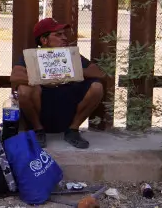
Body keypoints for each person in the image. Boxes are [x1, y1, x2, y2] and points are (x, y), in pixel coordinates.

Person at [9, 18, 106, 149]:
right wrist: (46, 78)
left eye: (64, 34)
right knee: (24, 90)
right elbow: (15, 76)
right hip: (41, 112)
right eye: (58, 35)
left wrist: (68, 71)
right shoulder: (32, 57)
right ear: (44, 40)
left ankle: (73, 130)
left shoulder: (70, 56)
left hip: (67, 111)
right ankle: (38, 131)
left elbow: (98, 72)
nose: (64, 38)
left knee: (97, 87)